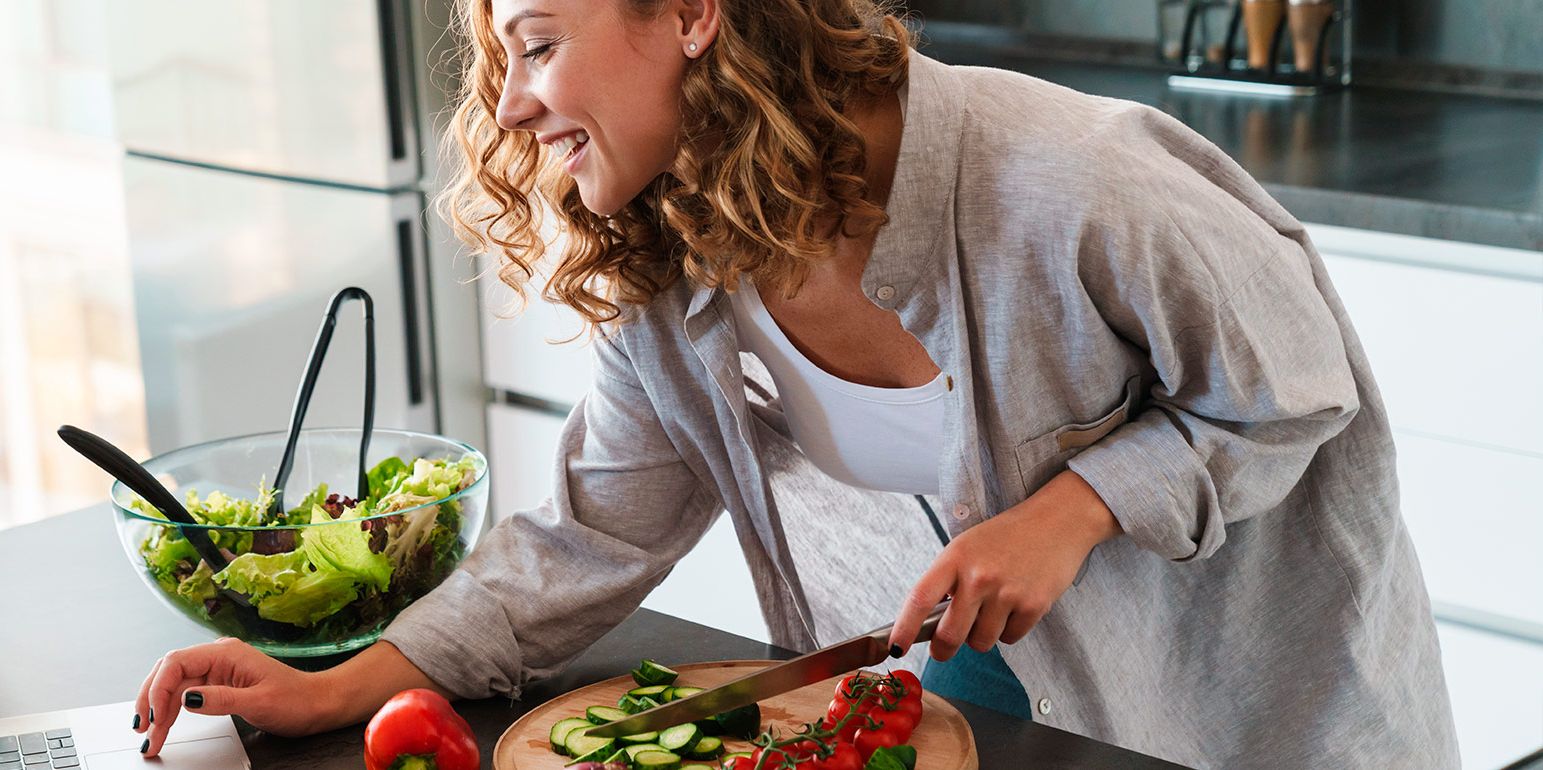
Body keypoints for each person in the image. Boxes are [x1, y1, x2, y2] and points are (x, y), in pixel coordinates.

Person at [130, 1, 1461, 767]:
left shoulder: (1073, 182)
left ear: (695, 12)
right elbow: (587, 536)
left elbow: (1297, 385)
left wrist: (1077, 508)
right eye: (501, 63)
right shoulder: (671, 266)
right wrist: (340, 678)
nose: (515, 105)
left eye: (536, 43)